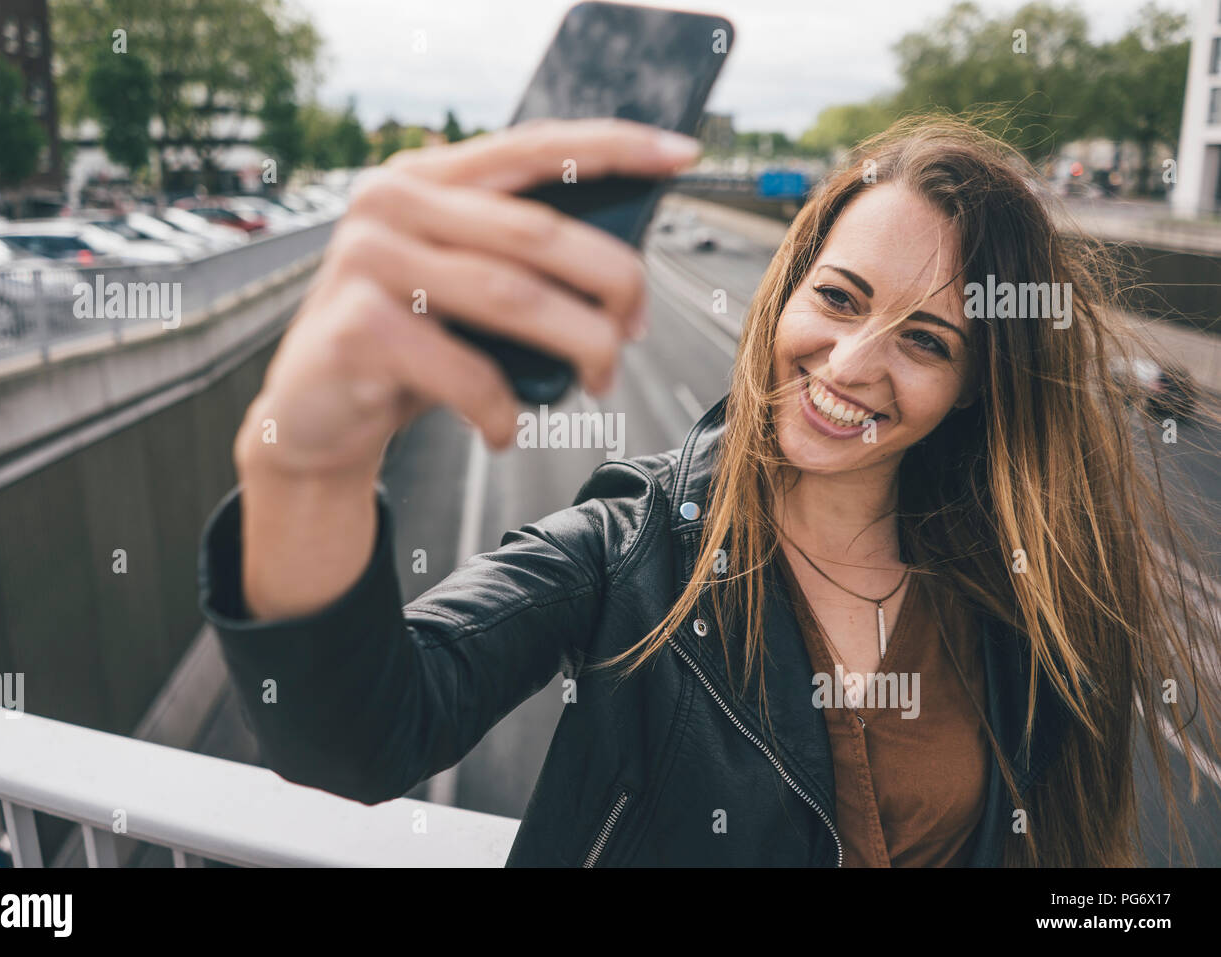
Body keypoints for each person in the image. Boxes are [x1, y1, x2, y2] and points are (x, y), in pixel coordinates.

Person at [198, 116, 1221, 866]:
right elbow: (357, 735)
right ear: (789, 287)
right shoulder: (626, 553)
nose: (854, 363)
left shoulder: (1018, 591)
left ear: (969, 391)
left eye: (924, 340)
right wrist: (306, 463)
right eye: (839, 296)